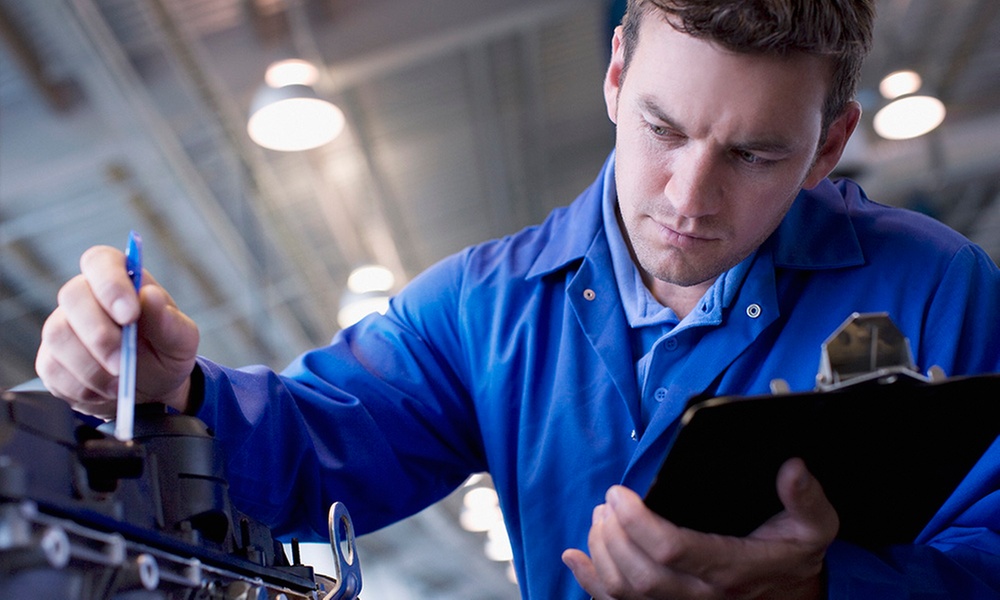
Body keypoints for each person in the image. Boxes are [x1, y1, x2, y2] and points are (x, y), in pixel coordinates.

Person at [34, 0, 1000, 598]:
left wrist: (833, 588)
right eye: (664, 129)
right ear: (617, 78)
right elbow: (312, 449)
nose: (688, 200)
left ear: (831, 145)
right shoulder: (482, 312)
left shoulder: (936, 289)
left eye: (754, 155)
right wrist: (172, 395)